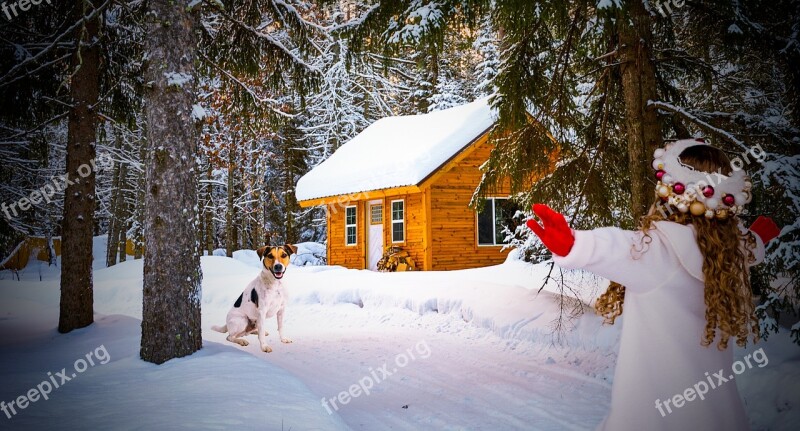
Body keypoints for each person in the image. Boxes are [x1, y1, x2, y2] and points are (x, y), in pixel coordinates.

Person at [525, 139, 780, 431]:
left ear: (667, 192)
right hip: (716, 413)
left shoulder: (657, 251)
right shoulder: (727, 254)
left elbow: (617, 247)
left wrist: (575, 244)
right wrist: (758, 238)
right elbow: (748, 249)